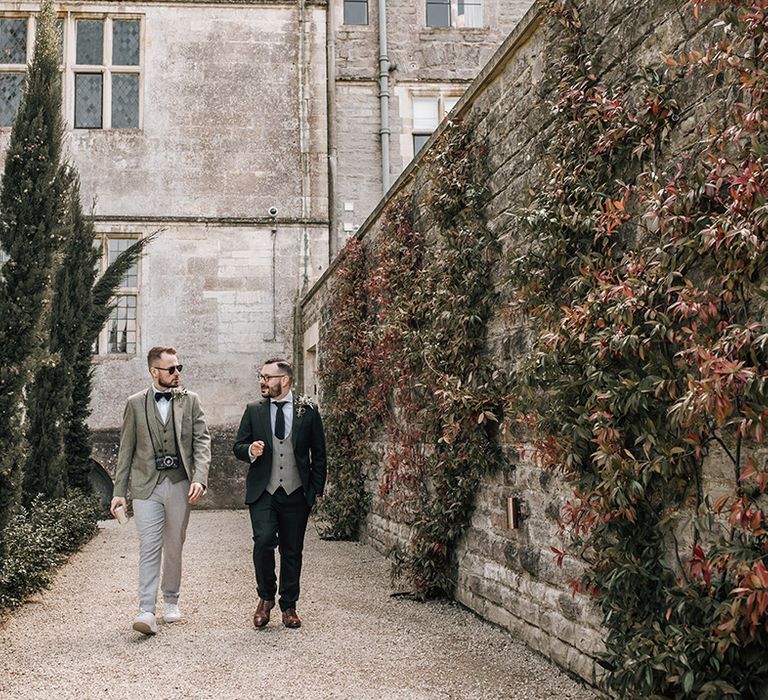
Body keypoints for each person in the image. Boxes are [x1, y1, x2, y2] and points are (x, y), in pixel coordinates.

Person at [110, 345, 211, 635]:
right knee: (149, 545)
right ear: (154, 372)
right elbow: (125, 451)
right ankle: (145, 609)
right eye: (171, 369)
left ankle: (171, 600)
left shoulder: (190, 401)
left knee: (174, 544)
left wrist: (199, 478)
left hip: (180, 483)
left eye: (179, 367)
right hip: (146, 486)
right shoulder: (134, 403)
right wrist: (119, 491)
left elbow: (202, 442)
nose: (177, 373)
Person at [233, 358, 327, 629]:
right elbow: (238, 446)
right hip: (264, 490)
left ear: (284, 380)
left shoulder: (308, 411)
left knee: (292, 550)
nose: (262, 382)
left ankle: (289, 605)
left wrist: (314, 492)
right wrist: (250, 450)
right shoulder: (254, 410)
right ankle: (265, 598)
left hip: (297, 493)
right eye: (261, 376)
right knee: (263, 542)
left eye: (267, 377)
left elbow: (319, 454)